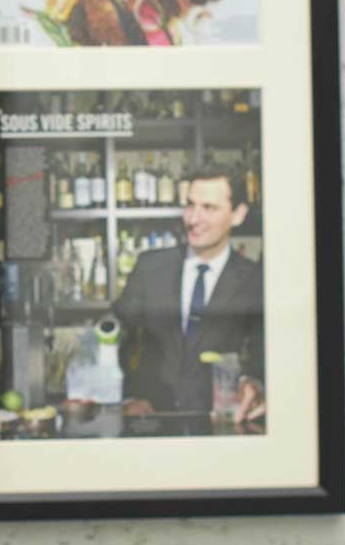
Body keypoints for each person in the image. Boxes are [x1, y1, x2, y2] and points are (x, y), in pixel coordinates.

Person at [110, 163, 265, 432]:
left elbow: (266, 353)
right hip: (151, 427)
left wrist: (257, 384)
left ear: (238, 215)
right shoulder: (150, 267)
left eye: (209, 208)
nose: (193, 219)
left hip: (221, 428)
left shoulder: (256, 280)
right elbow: (116, 336)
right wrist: (127, 397)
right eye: (190, 205)